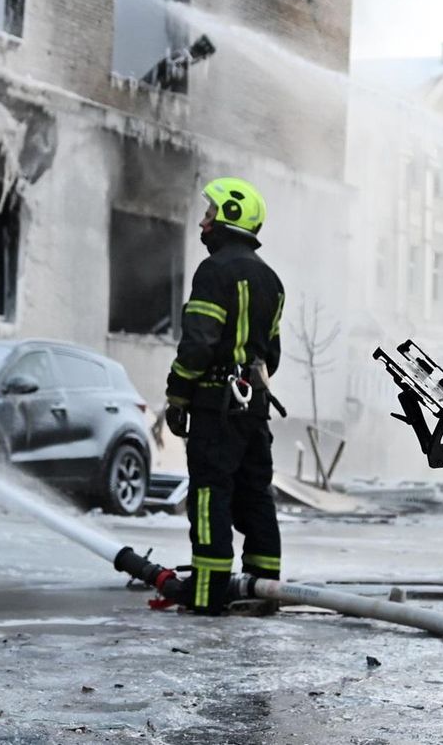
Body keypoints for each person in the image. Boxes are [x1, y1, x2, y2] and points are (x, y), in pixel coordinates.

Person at [164, 177, 286, 614]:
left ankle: (208, 596)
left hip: (215, 405)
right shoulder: (271, 281)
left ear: (230, 217)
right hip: (254, 407)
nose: (203, 222)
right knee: (255, 493)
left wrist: (177, 395)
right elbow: (271, 353)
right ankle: (264, 589)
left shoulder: (214, 272)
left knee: (210, 494)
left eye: (210, 214)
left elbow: (198, 341)